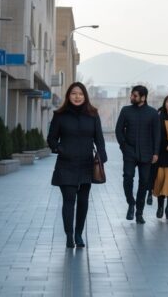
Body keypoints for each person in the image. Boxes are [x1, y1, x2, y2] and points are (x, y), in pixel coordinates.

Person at [47, 82, 107, 248]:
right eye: (74, 93)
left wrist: (101, 158)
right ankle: (69, 236)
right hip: (66, 164)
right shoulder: (60, 115)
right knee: (69, 200)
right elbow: (51, 138)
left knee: (83, 201)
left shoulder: (93, 114)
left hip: (87, 164)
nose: (77, 96)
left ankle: (79, 233)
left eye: (80, 93)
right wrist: (60, 149)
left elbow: (99, 139)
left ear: (85, 96)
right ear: (68, 96)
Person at [115, 85, 160, 224]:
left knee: (144, 182)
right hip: (129, 152)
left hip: (147, 153)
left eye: (135, 95)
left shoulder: (152, 113)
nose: (131, 97)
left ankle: (139, 212)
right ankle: (131, 203)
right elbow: (118, 130)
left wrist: (156, 153)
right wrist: (124, 147)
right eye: (131, 95)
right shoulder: (126, 111)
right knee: (128, 177)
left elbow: (157, 135)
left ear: (143, 97)